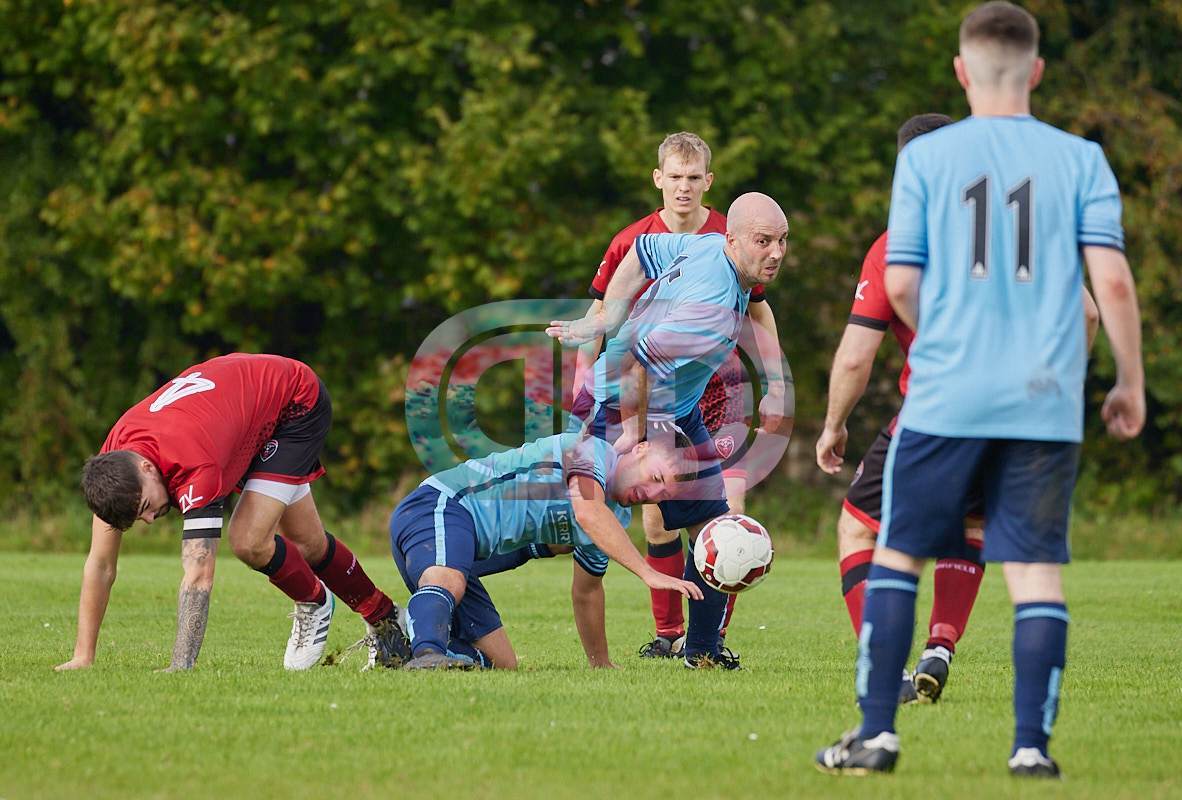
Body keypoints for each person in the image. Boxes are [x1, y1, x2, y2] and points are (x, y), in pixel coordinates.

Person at [815, 1, 1144, 778]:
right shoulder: (1081, 160)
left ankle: (877, 736)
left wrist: (956, 338)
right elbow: (1107, 290)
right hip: (1042, 401)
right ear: (1037, 71)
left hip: (947, 394)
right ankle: (1031, 751)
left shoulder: (929, 161)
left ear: (962, 72)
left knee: (896, 555)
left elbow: (901, 284)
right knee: (1034, 574)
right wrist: (1125, 379)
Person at [815, 112, 1103, 703]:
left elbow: (855, 358)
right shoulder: (1019, 228)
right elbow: (1089, 313)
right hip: (1018, 413)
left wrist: (833, 425)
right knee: (977, 529)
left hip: (939, 409)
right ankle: (942, 648)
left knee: (860, 527)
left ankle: (886, 669)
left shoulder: (897, 244)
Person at [549, 191, 788, 670]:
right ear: (733, 240)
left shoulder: (703, 245)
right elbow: (638, 361)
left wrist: (610, 315)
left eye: (782, 241)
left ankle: (702, 651)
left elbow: (642, 252)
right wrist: (637, 432)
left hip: (674, 409)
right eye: (763, 241)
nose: (776, 253)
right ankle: (452, 581)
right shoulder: (711, 307)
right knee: (570, 532)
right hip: (614, 407)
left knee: (713, 526)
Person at [56, 353, 409, 673]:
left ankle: (313, 601)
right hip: (241, 414)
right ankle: (387, 618)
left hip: (294, 402)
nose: (149, 519)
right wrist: (83, 655)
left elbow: (199, 576)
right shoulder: (114, 468)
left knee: (248, 540)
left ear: (147, 468)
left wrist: (180, 666)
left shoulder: (193, 462)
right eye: (139, 519)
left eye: (146, 508)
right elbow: (100, 564)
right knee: (308, 545)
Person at [389, 432, 702, 669]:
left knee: (502, 663)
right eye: (656, 477)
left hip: (464, 554)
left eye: (662, 496)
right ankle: (427, 653)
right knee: (449, 580)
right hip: (440, 505)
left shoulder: (613, 520)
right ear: (640, 449)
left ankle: (403, 639)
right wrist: (647, 572)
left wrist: (601, 664)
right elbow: (587, 511)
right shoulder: (591, 450)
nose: (651, 494)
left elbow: (587, 591)